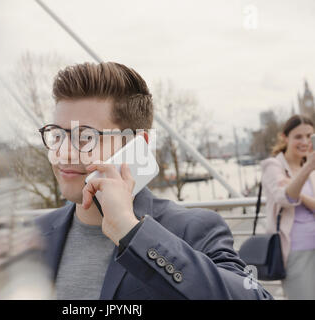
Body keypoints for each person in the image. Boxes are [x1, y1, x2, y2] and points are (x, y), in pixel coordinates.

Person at [36, 61, 272, 300]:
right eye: (57, 135)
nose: (62, 152)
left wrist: (132, 232)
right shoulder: (34, 235)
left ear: (138, 146)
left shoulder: (194, 230)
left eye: (85, 137)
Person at [261, 114, 315, 299]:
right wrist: (308, 168)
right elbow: (284, 198)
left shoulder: (309, 167)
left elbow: (293, 195)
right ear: (285, 137)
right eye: (298, 137)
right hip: (295, 251)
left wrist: (298, 193)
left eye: (309, 136)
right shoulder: (273, 166)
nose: (305, 142)